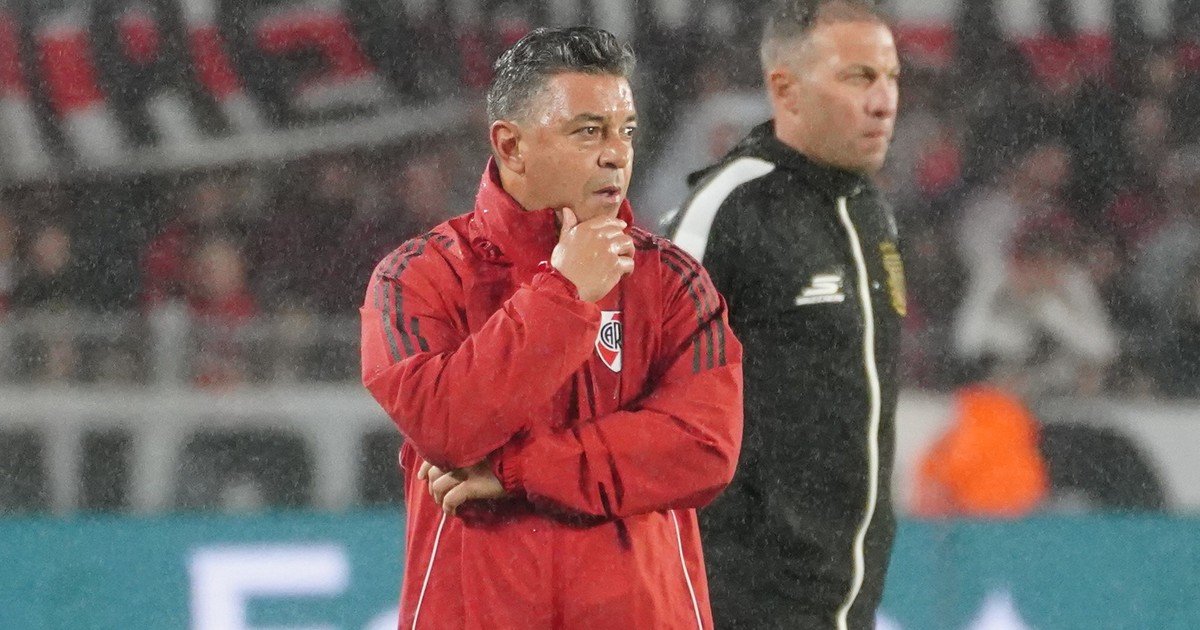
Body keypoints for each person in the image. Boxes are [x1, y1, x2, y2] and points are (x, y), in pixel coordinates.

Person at [359, 27, 743, 629]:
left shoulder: (672, 281)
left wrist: (517, 469)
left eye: (626, 131)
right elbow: (445, 425)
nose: (616, 154)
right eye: (589, 131)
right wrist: (565, 293)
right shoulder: (416, 276)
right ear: (511, 145)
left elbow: (703, 448)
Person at [667, 1, 902, 627]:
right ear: (786, 89)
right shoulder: (729, 208)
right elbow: (632, 382)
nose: (884, 102)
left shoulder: (872, 213)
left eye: (891, 77)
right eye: (859, 77)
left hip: (845, 604)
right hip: (737, 601)